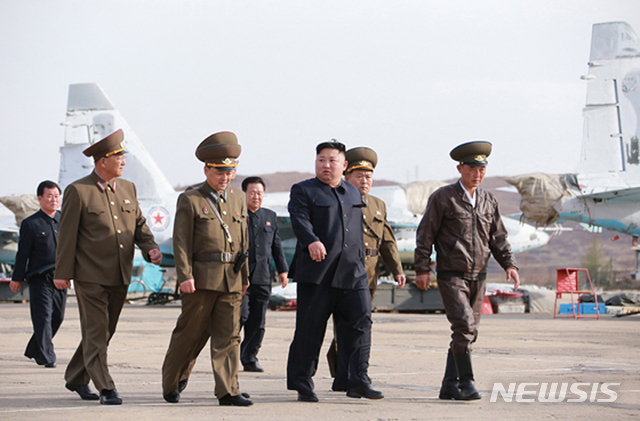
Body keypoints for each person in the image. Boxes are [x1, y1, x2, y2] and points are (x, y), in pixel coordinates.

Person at [53, 129, 162, 405]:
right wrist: (62, 273)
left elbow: (138, 225)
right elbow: (67, 236)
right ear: (103, 161)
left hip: (120, 274)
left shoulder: (128, 189)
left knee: (105, 331)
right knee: (96, 331)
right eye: (119, 156)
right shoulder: (79, 191)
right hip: (90, 276)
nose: (124, 161)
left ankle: (77, 376)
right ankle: (106, 387)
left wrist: (150, 248)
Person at [414, 140, 519, 401]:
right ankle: (467, 383)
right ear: (460, 168)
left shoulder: (488, 200)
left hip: (479, 275)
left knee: (469, 332)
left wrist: (509, 264)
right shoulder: (444, 197)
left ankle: (449, 385)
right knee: (464, 326)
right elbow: (425, 234)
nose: (478, 174)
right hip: (452, 274)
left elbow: (498, 238)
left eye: (482, 169)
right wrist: (422, 269)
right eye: (473, 168)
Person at [161, 131, 253, 406]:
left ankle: (228, 390)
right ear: (206, 170)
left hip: (232, 279)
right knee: (190, 334)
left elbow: (243, 241)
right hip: (201, 279)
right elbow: (181, 242)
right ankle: (172, 381)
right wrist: (185, 276)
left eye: (230, 171)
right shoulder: (190, 199)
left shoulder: (238, 198)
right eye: (219, 172)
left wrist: (245, 276)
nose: (225, 177)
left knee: (229, 337)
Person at [286, 140, 382, 402]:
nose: (326, 165)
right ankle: (302, 382)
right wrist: (312, 240)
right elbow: (299, 218)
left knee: (360, 324)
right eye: (321, 160)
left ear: (344, 165)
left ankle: (357, 380)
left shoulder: (353, 192)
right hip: (318, 273)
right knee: (310, 330)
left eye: (332, 160)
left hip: (353, 272)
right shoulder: (303, 190)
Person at [326, 147, 407, 376]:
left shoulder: (378, 205)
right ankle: (346, 372)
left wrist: (397, 270)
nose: (364, 181)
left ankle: (349, 368)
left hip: (370, 271)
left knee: (361, 321)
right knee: (348, 322)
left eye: (368, 176)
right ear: (347, 177)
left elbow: (387, 240)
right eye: (359, 176)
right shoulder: (337, 200)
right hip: (344, 269)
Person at [10, 180, 65, 368]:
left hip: (61, 277)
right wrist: (16, 278)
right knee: (43, 318)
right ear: (39, 198)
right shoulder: (30, 223)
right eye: (49, 196)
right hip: (39, 278)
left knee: (58, 317)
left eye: (56, 196)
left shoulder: (65, 221)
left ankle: (34, 348)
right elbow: (22, 253)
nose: (53, 200)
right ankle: (47, 356)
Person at [240, 176, 289, 372]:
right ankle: (227, 356)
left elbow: (277, 245)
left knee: (258, 320)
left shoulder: (270, 216)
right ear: (244, 194)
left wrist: (283, 270)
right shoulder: (238, 215)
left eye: (260, 193)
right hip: (241, 277)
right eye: (252, 192)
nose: (256, 196)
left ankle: (250, 357)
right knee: (241, 317)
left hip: (263, 276)